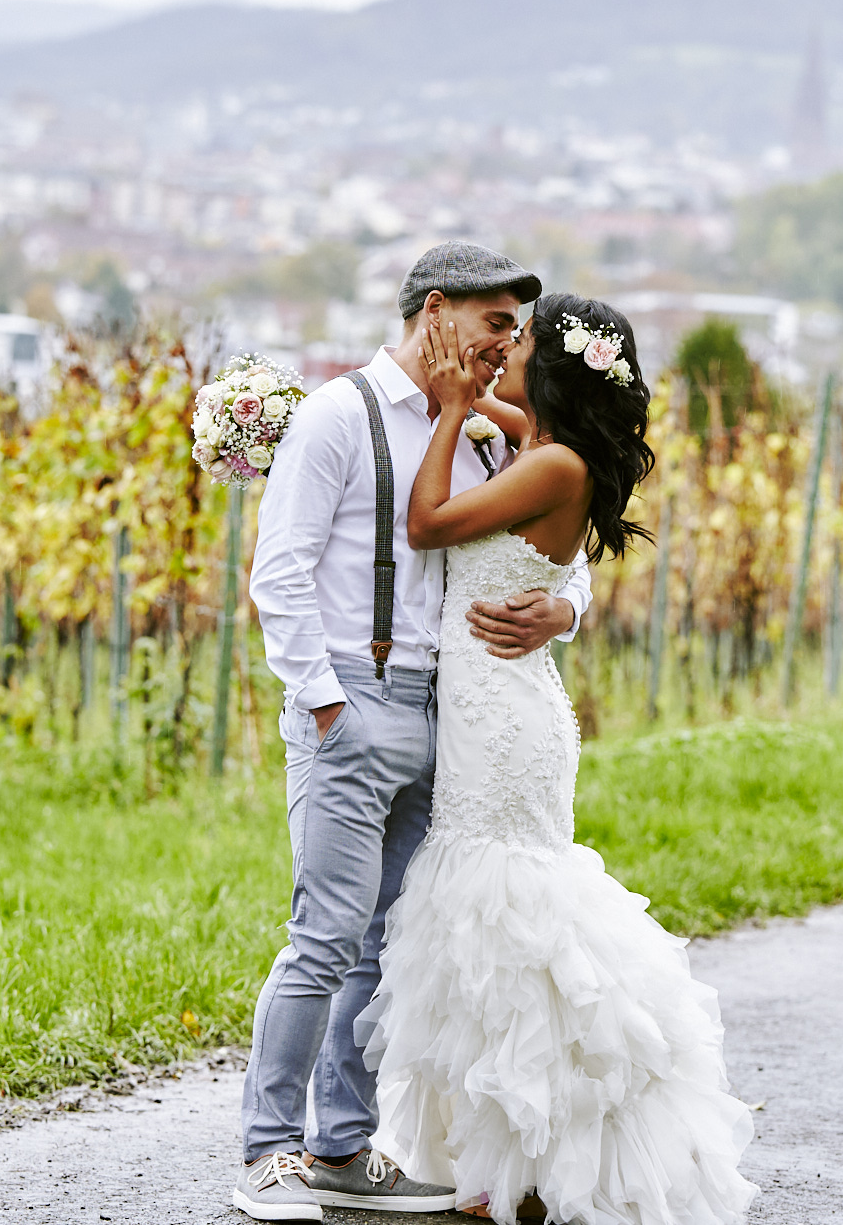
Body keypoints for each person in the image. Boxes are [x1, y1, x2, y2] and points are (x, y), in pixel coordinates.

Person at [358, 295, 758, 1225]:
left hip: (502, 719)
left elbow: (427, 523)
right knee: (488, 922)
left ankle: (529, 1168)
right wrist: (465, 389)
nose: (509, 350)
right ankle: (497, 1162)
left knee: (507, 921)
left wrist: (453, 409)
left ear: (554, 367)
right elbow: (504, 419)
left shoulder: (554, 465)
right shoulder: (545, 445)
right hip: (494, 705)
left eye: (523, 342)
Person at [237, 242, 595, 1221]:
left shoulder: (483, 433)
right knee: (322, 936)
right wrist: (323, 707)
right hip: (354, 702)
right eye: (492, 326)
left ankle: (343, 1148)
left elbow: (561, 545)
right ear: (435, 310)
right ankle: (267, 1152)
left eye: (514, 334)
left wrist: (562, 613)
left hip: (449, 720)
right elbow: (279, 573)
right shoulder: (335, 417)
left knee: (383, 948)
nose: (504, 348)